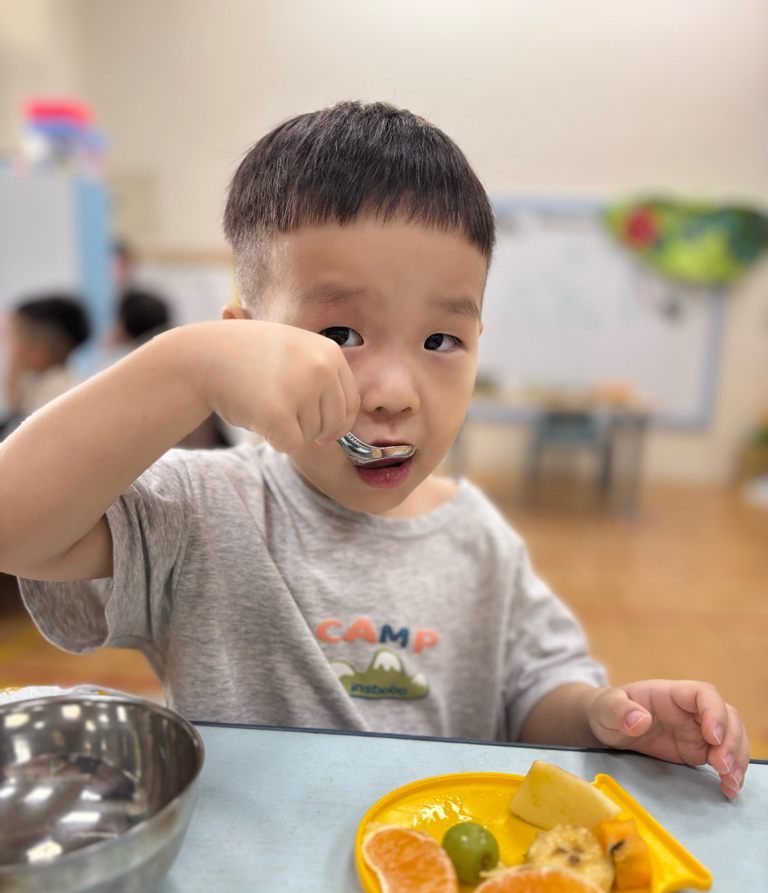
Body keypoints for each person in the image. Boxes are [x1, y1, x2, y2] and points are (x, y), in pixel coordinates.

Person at [0, 101, 748, 798]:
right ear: (245, 340)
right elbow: (14, 526)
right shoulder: (198, 510)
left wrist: (603, 718)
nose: (394, 393)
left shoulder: (481, 542)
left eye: (441, 340)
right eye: (341, 335)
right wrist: (188, 365)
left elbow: (535, 695)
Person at [1, 294, 90, 438]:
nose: (7, 346)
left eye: (13, 337)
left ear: (38, 353)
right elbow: (15, 404)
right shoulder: (42, 384)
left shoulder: (53, 398)